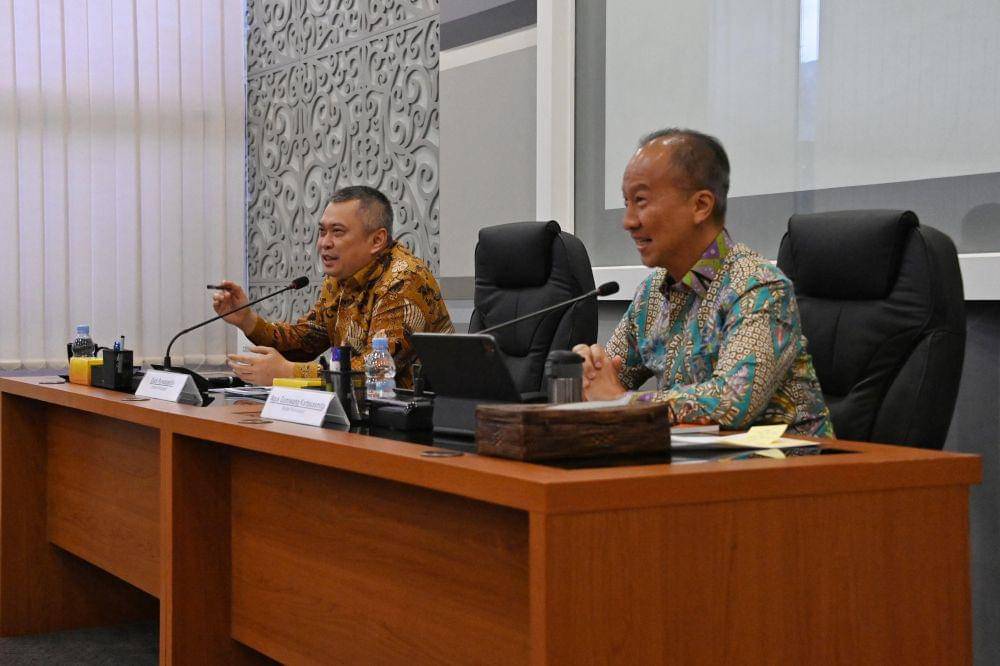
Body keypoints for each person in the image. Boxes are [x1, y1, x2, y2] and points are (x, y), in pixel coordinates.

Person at [573, 129, 833, 436]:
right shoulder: (651, 294)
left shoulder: (757, 285)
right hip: (696, 457)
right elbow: (610, 378)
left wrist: (623, 402)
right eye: (626, 202)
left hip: (788, 460)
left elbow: (733, 402)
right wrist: (589, 372)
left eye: (641, 201)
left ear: (700, 206)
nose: (628, 221)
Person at [214, 185, 454, 386]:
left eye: (337, 232)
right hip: (361, 412)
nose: (324, 243)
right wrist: (247, 320)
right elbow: (307, 341)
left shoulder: (403, 280)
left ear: (377, 240)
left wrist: (289, 372)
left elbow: (376, 370)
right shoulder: (340, 279)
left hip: (422, 418)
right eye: (322, 232)